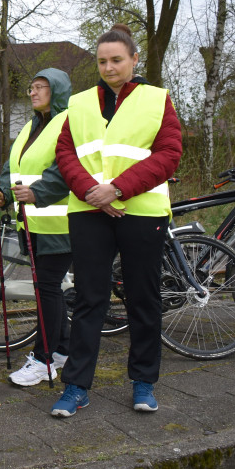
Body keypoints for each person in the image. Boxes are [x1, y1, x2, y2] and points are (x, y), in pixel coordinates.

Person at [50, 24, 181, 417]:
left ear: (134, 59)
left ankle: (144, 383)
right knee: (90, 299)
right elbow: (66, 152)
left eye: (116, 60)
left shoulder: (158, 99)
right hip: (89, 211)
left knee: (144, 298)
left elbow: (168, 153)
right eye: (103, 61)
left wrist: (117, 189)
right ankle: (76, 386)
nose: (109, 67)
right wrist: (93, 192)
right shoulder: (80, 102)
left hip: (140, 211)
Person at [0, 68, 74, 386]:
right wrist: (2, 192)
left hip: (61, 225)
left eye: (41, 88)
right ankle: (62, 350)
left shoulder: (69, 124)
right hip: (34, 223)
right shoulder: (29, 129)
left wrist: (37, 193)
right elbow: (14, 168)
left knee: (47, 288)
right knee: (48, 289)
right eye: (32, 88)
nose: (34, 93)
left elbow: (66, 169)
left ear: (58, 91)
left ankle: (43, 360)